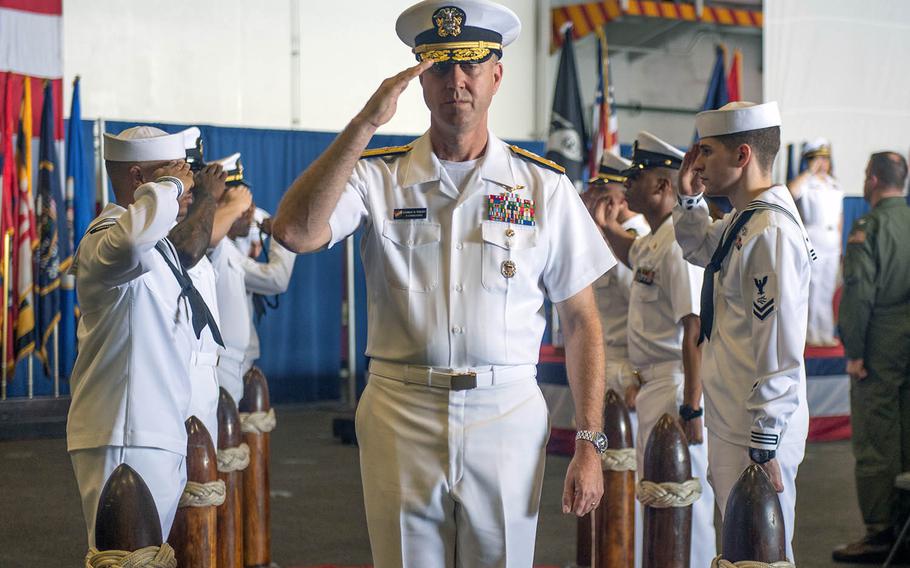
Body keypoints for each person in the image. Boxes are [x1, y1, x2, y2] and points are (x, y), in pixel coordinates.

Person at [271, 1, 616, 565]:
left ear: (496, 75)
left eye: (470, 65)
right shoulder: (376, 176)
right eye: (437, 66)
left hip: (506, 412)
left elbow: (582, 321)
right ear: (418, 77)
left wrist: (589, 439)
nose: (454, 80)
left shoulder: (543, 187)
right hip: (399, 411)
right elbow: (293, 231)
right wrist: (364, 125)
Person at [673, 101, 813, 561]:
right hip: (735, 415)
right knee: (740, 550)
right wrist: (691, 200)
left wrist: (764, 436)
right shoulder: (744, 220)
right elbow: (698, 249)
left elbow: (779, 344)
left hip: (754, 425)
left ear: (742, 155)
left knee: (760, 553)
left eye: (706, 153)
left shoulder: (768, 231)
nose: (697, 164)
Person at [66, 126, 202, 545]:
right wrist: (170, 185)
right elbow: (127, 242)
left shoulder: (153, 244)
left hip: (155, 428)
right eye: (174, 176)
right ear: (141, 179)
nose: (186, 189)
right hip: (127, 433)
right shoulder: (106, 237)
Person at [597, 132, 716, 568]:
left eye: (637, 177)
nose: (626, 186)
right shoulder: (654, 240)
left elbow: (694, 331)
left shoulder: (678, 247)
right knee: (656, 497)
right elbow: (634, 256)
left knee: (685, 502)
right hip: (652, 386)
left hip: (674, 384)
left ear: (664, 188)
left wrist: (692, 408)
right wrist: (608, 229)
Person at [833, 152, 910, 564]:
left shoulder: (869, 226)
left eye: (865, 174)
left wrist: (855, 352)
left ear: (875, 179)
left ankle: (880, 531)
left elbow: (859, 294)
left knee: (876, 439)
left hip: (879, 342)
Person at [208, 153, 294, 403]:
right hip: (222, 362)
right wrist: (282, 236)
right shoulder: (220, 250)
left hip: (238, 357)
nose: (252, 213)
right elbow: (276, 279)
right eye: (242, 207)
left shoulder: (232, 247)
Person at [168, 128, 231, 445]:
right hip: (179, 380)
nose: (193, 187)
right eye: (188, 178)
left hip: (205, 376)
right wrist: (208, 197)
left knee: (206, 482)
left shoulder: (192, 234)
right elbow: (188, 251)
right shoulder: (166, 235)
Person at [584, 151, 650, 404]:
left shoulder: (636, 241)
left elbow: (640, 314)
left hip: (626, 369)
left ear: (622, 198)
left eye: (603, 194)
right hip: (605, 360)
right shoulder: (608, 239)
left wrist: (637, 376)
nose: (595, 200)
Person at [789, 138, 843, 346]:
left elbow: (839, 217)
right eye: (818, 159)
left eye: (825, 159)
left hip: (831, 240)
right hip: (813, 237)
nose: (823, 164)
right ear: (810, 161)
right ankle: (810, 334)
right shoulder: (805, 183)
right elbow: (791, 192)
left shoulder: (834, 184)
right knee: (813, 287)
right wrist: (809, 172)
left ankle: (825, 332)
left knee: (827, 288)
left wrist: (839, 247)